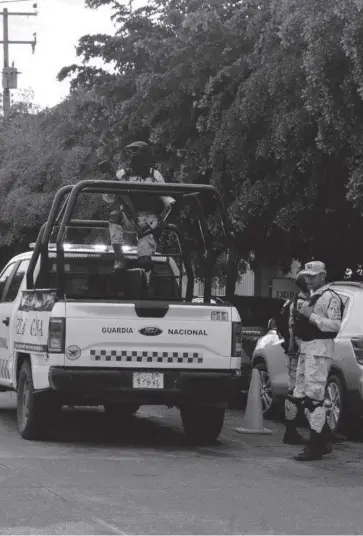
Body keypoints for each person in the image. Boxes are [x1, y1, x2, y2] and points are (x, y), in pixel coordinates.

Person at [290, 261, 342, 461]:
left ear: (323, 276)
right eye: (307, 276)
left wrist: (311, 317)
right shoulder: (311, 297)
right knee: (302, 395)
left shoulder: (331, 297)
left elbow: (335, 325)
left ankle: (315, 445)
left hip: (319, 350)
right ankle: (322, 440)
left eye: (313, 275)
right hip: (306, 349)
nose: (309, 279)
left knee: (315, 399)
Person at [103, 141, 175, 274]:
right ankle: (119, 258)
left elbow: (166, 197)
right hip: (127, 217)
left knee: (145, 262)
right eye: (130, 154)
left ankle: (143, 270)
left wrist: (165, 218)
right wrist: (110, 187)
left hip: (148, 220)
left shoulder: (154, 175)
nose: (132, 157)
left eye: (135, 153)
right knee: (114, 216)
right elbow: (108, 198)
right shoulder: (122, 175)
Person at [282, 272, 310, 445]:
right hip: (298, 352)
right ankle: (290, 431)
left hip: (295, 350)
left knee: (296, 390)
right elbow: (296, 330)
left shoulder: (295, 301)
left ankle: (291, 431)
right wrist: (296, 348)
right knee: (295, 391)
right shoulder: (300, 303)